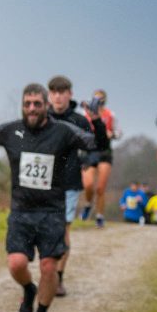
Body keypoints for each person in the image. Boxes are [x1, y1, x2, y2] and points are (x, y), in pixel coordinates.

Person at [0, 83, 101, 312]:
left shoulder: (63, 131)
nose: (32, 109)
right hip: (21, 211)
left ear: (46, 105)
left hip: (52, 211)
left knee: (48, 267)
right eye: (27, 104)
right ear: (22, 106)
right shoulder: (11, 130)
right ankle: (28, 289)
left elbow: (95, 143)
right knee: (16, 263)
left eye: (37, 104)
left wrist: (97, 121)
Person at [46, 75, 92, 297]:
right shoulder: (42, 117)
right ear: (49, 94)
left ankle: (58, 277)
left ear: (69, 94)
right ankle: (47, 276)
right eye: (54, 92)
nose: (58, 96)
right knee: (45, 231)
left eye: (62, 92)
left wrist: (85, 162)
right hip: (45, 183)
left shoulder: (79, 121)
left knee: (63, 229)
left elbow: (92, 147)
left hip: (70, 182)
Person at [80, 89, 118, 227]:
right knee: (88, 184)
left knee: (100, 188)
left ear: (105, 100)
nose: (98, 102)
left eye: (101, 99)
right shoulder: (85, 114)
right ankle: (88, 204)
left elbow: (118, 131)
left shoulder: (110, 114)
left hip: (104, 151)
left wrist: (112, 134)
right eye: (96, 99)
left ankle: (100, 216)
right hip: (89, 151)